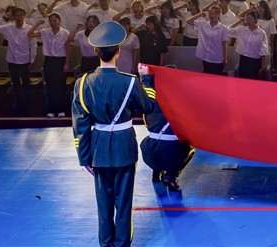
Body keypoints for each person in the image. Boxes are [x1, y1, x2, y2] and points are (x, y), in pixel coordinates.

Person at [72, 21, 156, 247]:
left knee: (104, 203)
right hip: (124, 147)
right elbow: (148, 106)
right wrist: (147, 80)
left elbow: (80, 125)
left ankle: (106, 243)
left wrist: (84, 157)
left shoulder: (82, 84)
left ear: (95, 51)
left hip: (98, 149)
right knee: (124, 202)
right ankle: (122, 244)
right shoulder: (130, 82)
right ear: (119, 50)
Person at [139, 69, 195, 191]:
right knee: (190, 149)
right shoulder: (182, 102)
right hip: (172, 151)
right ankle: (171, 176)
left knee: (151, 140)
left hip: (151, 152)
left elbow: (147, 124)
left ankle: (156, 173)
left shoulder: (151, 102)